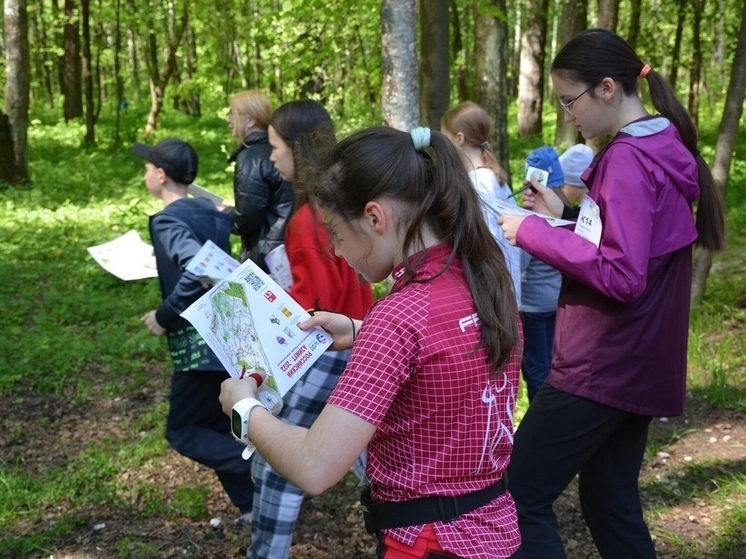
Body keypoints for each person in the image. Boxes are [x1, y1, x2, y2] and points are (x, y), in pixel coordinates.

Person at [221, 126, 524, 559]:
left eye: (336, 233)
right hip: (496, 532)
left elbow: (315, 467)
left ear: (375, 217)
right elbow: (447, 349)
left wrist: (244, 410)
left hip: (425, 543)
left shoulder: (400, 315)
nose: (338, 251)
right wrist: (360, 329)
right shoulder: (485, 280)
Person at [498, 28, 725, 559]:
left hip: (601, 365)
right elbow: (632, 240)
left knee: (516, 497)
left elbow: (622, 275)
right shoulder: (661, 143)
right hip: (640, 361)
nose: (567, 113)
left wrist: (533, 233)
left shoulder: (626, 159)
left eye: (569, 100)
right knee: (610, 502)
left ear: (605, 88)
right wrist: (564, 216)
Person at [246, 99, 374, 559]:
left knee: (279, 463)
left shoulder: (306, 219)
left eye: (276, 147)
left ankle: (267, 552)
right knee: (369, 449)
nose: (271, 157)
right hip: (361, 337)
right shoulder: (341, 201)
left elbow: (312, 304)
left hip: (324, 348)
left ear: (296, 152)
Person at [132, 138, 255, 526]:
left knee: (183, 430)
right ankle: (253, 508)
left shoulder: (167, 219)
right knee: (217, 425)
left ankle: (265, 468)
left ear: (161, 175)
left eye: (148, 167)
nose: (145, 173)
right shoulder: (213, 212)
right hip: (226, 333)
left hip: (197, 342)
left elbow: (199, 268)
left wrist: (164, 315)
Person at [441, 101, 522, 302]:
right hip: (503, 291)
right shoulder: (495, 178)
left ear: (459, 138)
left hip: (492, 295)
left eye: (445, 139)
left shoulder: (479, 184)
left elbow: (487, 243)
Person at [224, 90, 293, 267]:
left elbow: (246, 219)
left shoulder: (250, 158)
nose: (228, 120)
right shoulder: (281, 150)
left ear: (251, 120)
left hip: (266, 256)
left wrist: (221, 213)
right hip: (288, 248)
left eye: (232, 113)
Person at [518, 146, 565, 402]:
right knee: (552, 363)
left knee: (536, 369)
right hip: (556, 302)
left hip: (533, 308)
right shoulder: (565, 215)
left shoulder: (532, 221)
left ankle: (540, 421)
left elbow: (521, 265)